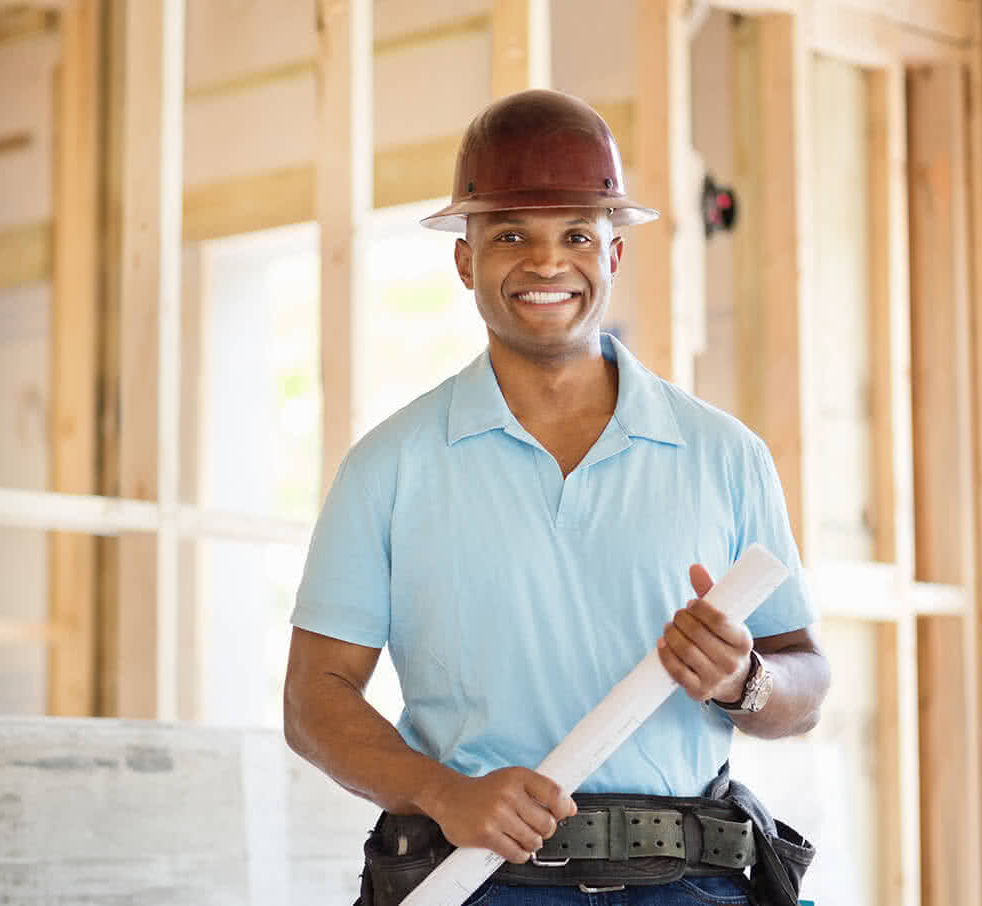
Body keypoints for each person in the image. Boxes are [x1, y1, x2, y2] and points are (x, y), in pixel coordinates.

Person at [284, 89, 829, 906]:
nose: (546, 264)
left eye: (576, 235)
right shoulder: (389, 466)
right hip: (477, 882)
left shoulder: (723, 455)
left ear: (612, 256)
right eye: (510, 235)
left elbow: (806, 681)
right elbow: (312, 700)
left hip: (688, 883)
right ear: (465, 259)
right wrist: (442, 792)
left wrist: (743, 680)